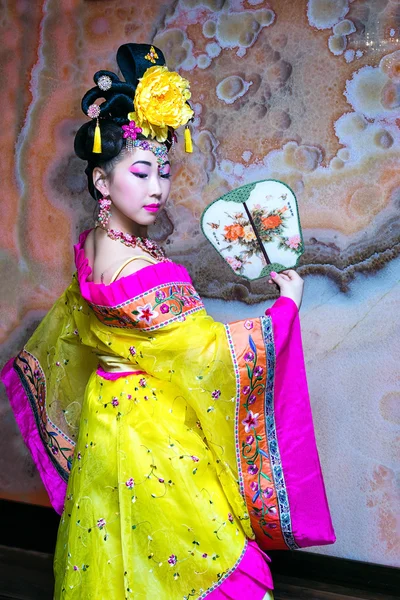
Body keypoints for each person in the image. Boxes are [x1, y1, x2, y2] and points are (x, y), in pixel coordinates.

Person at [1, 43, 335, 599]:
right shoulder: (135, 269)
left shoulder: (95, 242)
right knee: (195, 563)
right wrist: (286, 309)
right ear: (102, 184)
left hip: (110, 422)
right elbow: (209, 354)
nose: (157, 187)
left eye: (163, 170)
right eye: (139, 172)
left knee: (126, 561)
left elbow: (95, 322)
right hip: (150, 437)